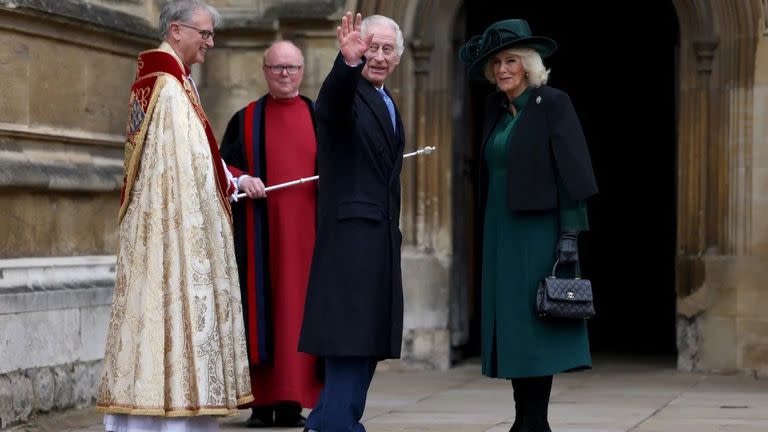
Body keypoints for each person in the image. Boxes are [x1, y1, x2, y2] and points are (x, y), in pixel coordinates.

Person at [96, 1, 253, 431]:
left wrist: (231, 182)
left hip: (179, 227)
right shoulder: (164, 84)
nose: (211, 43)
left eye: (212, 35)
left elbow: (200, 154)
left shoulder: (178, 81)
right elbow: (174, 169)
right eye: (204, 34)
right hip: (171, 233)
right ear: (177, 30)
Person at [459, 19, 598, 432]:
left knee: (537, 327)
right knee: (514, 327)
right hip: (500, 232)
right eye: (497, 62)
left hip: (540, 233)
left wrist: (570, 234)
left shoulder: (552, 103)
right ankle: (524, 419)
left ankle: (535, 421)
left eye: (512, 61)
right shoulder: (495, 110)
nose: (503, 69)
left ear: (530, 65)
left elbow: (571, 173)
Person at [297, 11, 406, 432]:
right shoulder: (349, 92)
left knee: (365, 345)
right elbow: (331, 108)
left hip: (378, 240)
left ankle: (324, 423)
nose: (377, 57)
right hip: (351, 241)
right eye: (371, 48)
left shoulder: (386, 99)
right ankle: (340, 426)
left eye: (385, 49)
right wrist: (346, 64)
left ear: (397, 57)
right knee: (349, 342)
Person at [219, 40, 322, 428]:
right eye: (277, 68)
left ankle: (293, 402)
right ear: (265, 71)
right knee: (260, 311)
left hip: (309, 239)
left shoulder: (319, 117)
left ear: (302, 71)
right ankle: (260, 403)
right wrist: (243, 178)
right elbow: (221, 166)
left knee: (300, 314)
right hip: (259, 239)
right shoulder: (245, 120)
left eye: (292, 68)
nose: (285, 75)